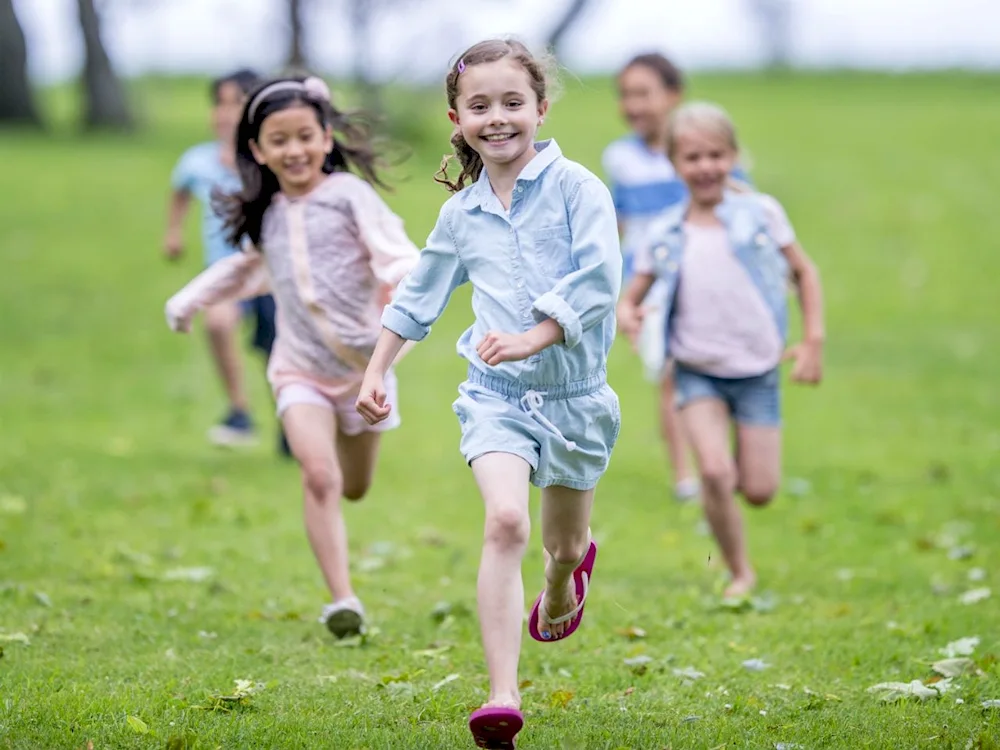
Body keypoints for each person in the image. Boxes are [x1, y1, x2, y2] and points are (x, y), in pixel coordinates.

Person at [355, 39, 622, 749]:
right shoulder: (461, 216)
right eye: (480, 107)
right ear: (457, 118)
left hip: (576, 399)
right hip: (495, 394)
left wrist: (538, 335)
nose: (497, 118)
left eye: (512, 103)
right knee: (505, 521)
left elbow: (599, 279)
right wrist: (378, 367)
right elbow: (420, 296)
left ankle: (567, 576)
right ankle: (502, 694)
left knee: (561, 544)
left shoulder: (578, 190)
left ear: (539, 108)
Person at [164, 75, 420, 638]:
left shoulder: (351, 198)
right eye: (278, 140)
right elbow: (247, 268)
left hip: (364, 374)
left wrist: (401, 283)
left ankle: (343, 570)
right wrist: (189, 300)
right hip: (298, 369)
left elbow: (397, 253)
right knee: (319, 473)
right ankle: (342, 599)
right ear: (257, 150)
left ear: (326, 137)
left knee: (355, 486)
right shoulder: (270, 213)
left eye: (304, 136)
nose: (294, 150)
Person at [617, 102, 824, 600]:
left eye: (715, 154)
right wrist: (628, 314)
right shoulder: (665, 231)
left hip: (757, 370)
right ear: (674, 163)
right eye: (692, 157)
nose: (705, 166)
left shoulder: (761, 214)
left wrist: (812, 339)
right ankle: (739, 571)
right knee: (712, 470)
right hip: (695, 369)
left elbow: (805, 272)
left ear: (733, 156)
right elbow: (633, 293)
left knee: (758, 490)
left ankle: (729, 486)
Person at [601, 53, 750, 503]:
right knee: (668, 374)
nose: (633, 105)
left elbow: (741, 210)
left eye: (644, 93)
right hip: (653, 286)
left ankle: (717, 463)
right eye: (626, 95)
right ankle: (686, 476)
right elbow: (619, 223)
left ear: (673, 95)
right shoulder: (620, 158)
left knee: (710, 369)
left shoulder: (703, 153)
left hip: (706, 278)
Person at [163, 68, 287, 453]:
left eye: (238, 103)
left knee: (277, 351)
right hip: (224, 271)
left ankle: (289, 421)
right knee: (217, 323)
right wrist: (174, 232)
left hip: (271, 272)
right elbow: (180, 192)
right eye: (220, 103)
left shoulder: (270, 158)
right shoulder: (197, 161)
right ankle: (239, 411)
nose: (226, 113)